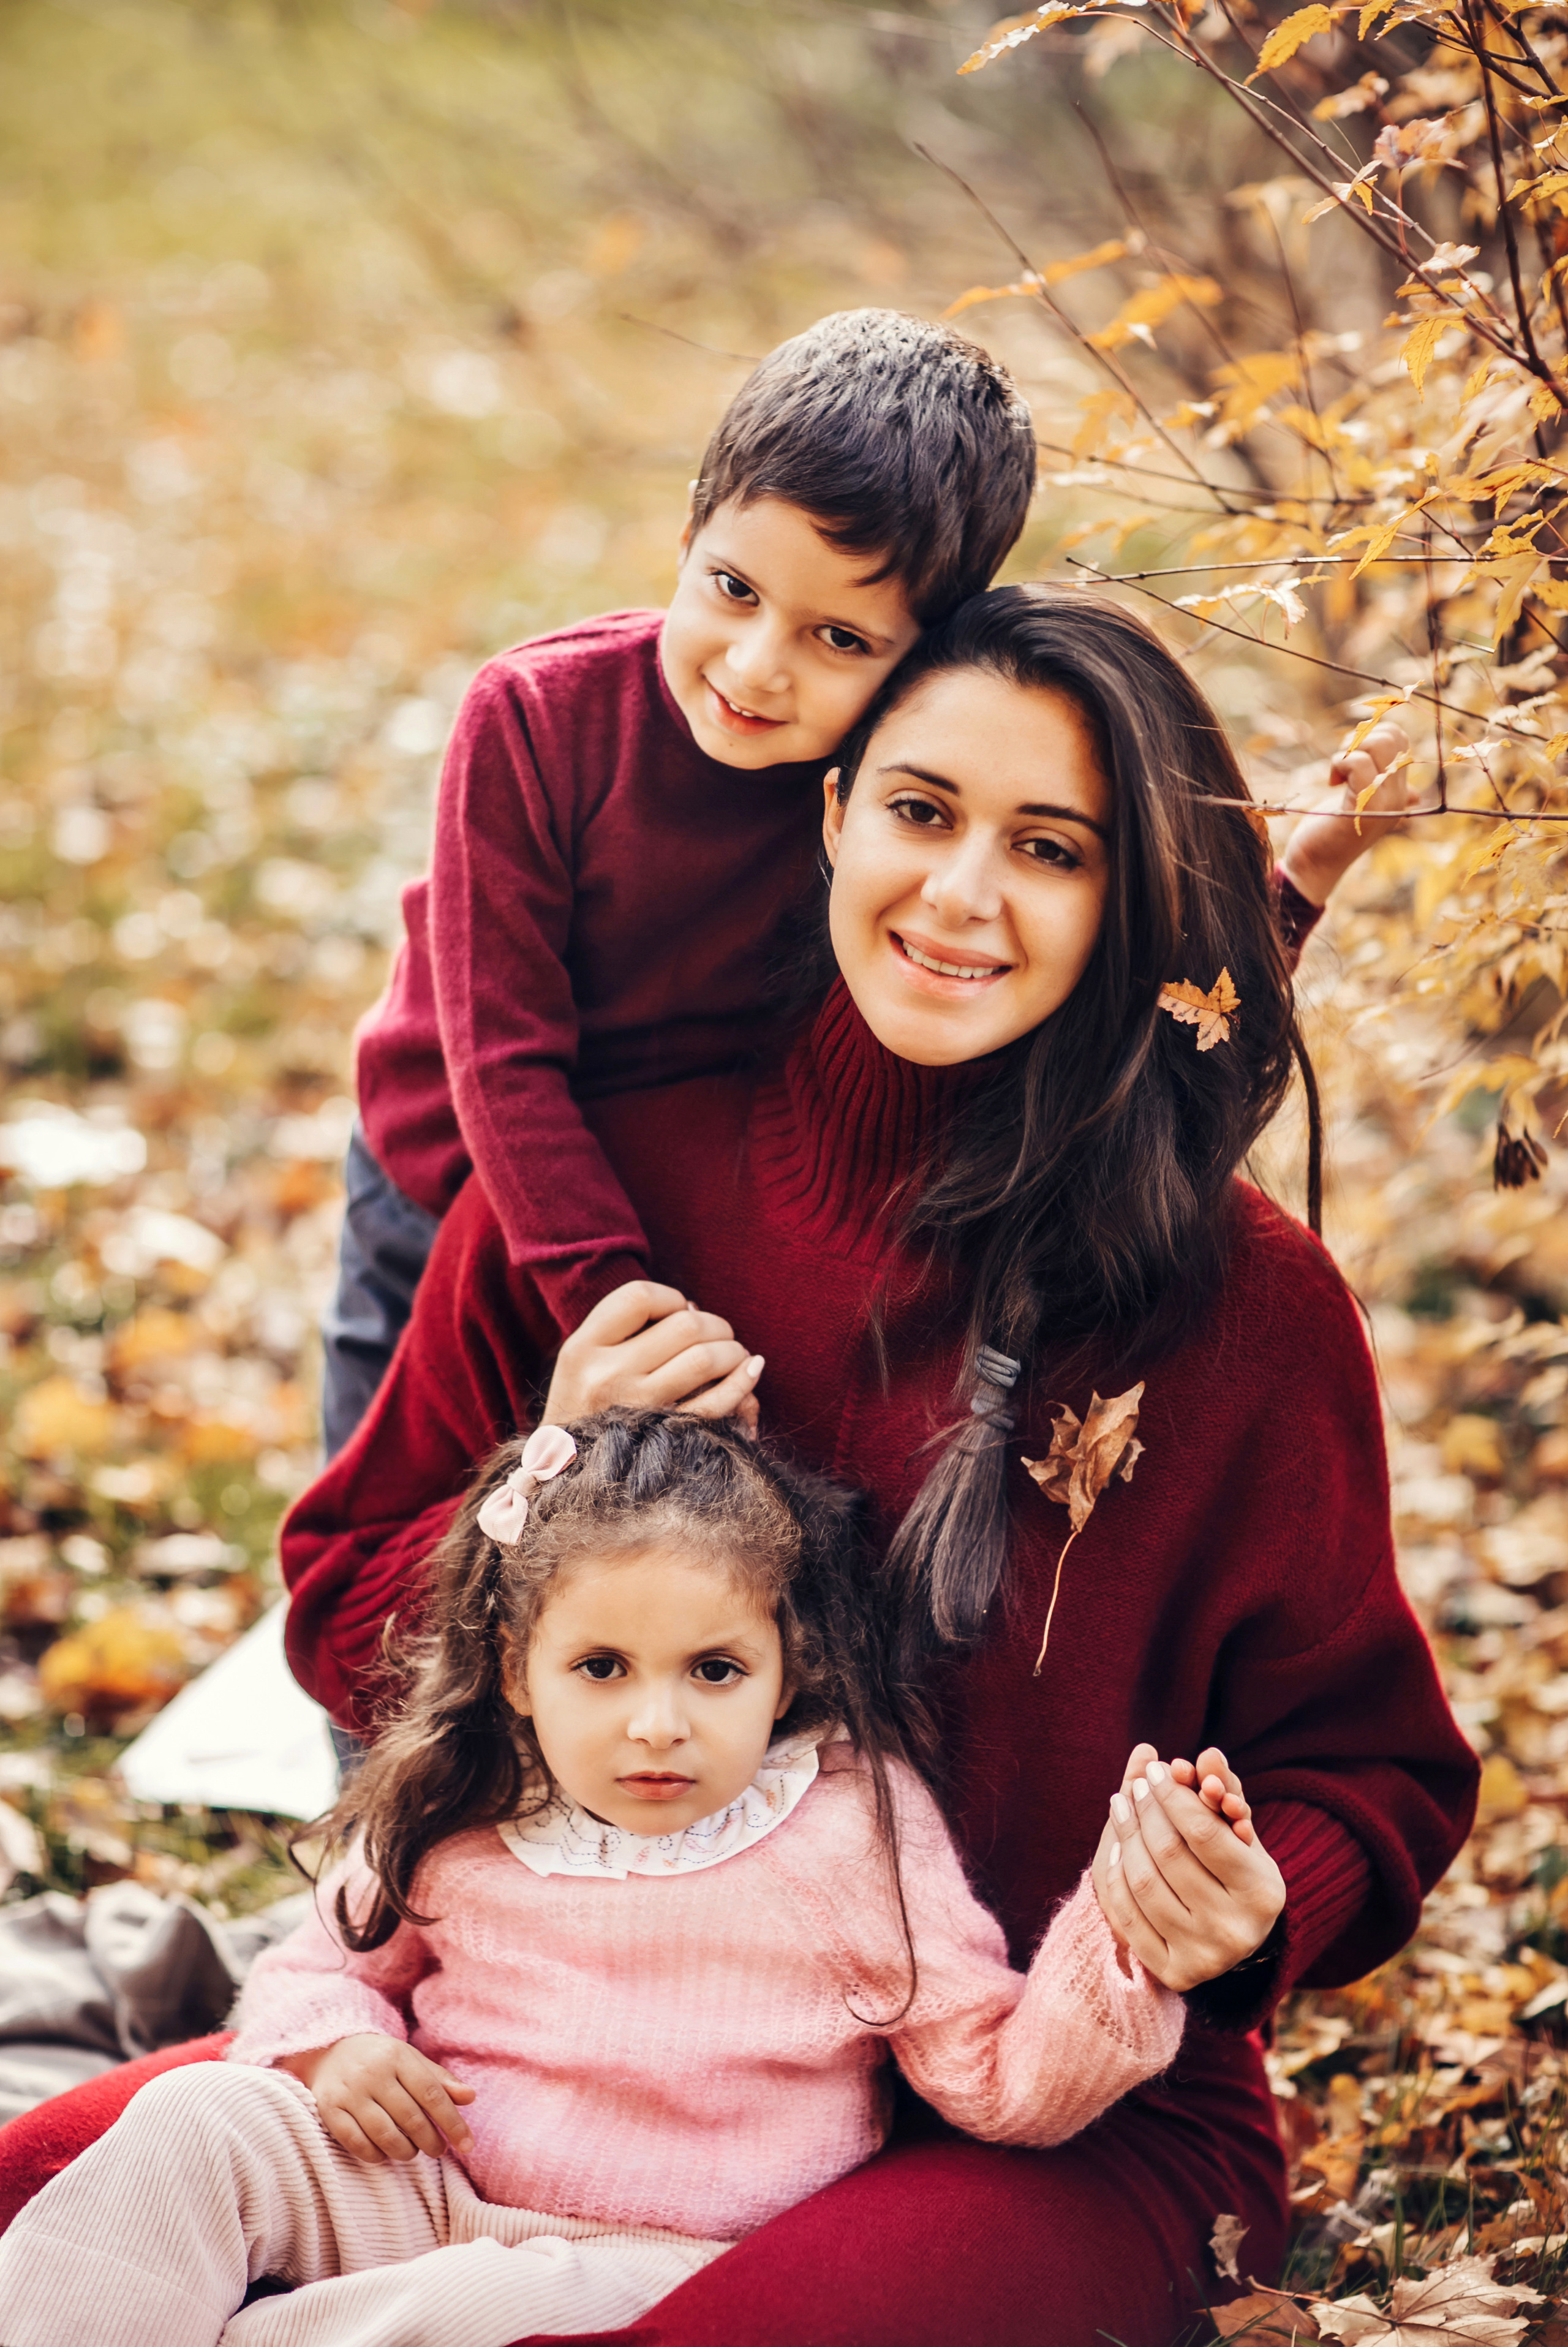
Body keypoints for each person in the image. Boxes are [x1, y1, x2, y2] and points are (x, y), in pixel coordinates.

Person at [0, 589, 1468, 2347]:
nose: (962, 894)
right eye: (920, 812)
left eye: (1051, 849)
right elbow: (340, 1601)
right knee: (63, 2203)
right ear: (834, 813)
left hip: (1037, 2117)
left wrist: (1247, 1906)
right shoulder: (615, 1187)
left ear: (1127, 898)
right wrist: (526, 1499)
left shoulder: (1245, 1313)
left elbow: (1374, 1773)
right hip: (555, 2054)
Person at [323, 303, 1410, 1459]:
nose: (756, 668)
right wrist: (622, 1314)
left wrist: (1299, 881)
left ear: (919, 656)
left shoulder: (896, 790)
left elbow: (1124, 979)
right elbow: (503, 1058)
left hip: (692, 1172)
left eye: (840, 639)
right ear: (689, 532)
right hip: (454, 1175)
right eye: (733, 588)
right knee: (416, 1507)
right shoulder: (541, 718)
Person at [0, 1409, 1232, 2347]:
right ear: (517, 1669)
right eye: (601, 1666)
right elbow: (321, 1959)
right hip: (431, 2177)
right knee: (192, 2122)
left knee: (439, 2311)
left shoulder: (846, 1829)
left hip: (657, 2254)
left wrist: (1122, 1941)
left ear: (785, 1666)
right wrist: (330, 2042)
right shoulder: (469, 1798)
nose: (657, 1724)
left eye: (711, 1670)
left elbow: (996, 2074)